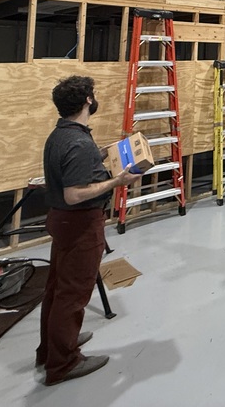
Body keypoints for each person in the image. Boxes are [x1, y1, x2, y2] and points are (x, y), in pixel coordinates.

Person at [37, 76, 143, 386]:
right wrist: (117, 181)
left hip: (62, 221)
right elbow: (74, 194)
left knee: (57, 288)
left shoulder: (62, 135)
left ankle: (52, 348)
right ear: (87, 100)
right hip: (80, 223)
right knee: (73, 294)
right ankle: (63, 363)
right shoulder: (79, 143)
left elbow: (75, 168)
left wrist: (103, 154)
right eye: (92, 95)